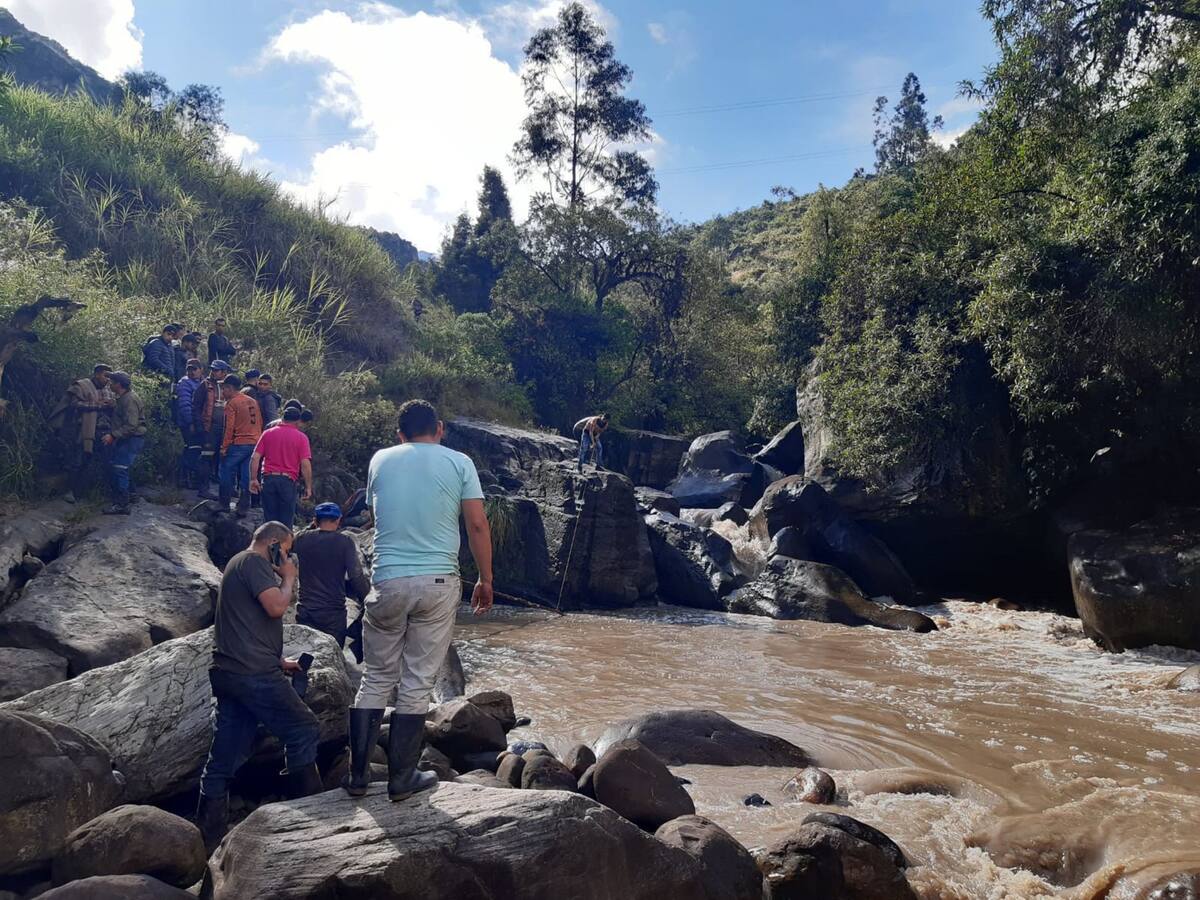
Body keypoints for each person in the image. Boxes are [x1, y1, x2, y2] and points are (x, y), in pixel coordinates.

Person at [344, 399, 493, 802]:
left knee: (375, 677)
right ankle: (402, 778)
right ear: (439, 428)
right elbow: (476, 523)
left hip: (387, 579)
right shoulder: (459, 463)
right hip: (438, 581)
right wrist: (485, 577)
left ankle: (357, 777)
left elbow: (377, 513)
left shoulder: (380, 460)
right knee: (416, 682)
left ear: (399, 435)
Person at [194, 521, 322, 851]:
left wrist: (282, 662)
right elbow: (276, 607)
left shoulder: (237, 564)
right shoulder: (253, 563)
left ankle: (208, 840)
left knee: (225, 756)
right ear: (275, 545)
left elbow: (243, 626)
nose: (289, 555)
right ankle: (311, 818)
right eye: (287, 549)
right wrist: (289, 575)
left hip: (230, 671)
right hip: (253, 675)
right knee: (303, 728)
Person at [292, 502, 371, 648]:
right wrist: (367, 598)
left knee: (304, 659)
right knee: (333, 655)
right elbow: (356, 575)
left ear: (315, 520)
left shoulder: (302, 539)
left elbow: (289, 544)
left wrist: (312, 526)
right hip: (333, 612)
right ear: (339, 520)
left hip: (306, 609)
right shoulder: (344, 542)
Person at [48, 363, 114, 503]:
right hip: (82, 429)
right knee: (77, 461)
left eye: (109, 377)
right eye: (105, 376)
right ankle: (70, 492)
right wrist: (98, 405)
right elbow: (74, 405)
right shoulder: (82, 385)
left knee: (102, 461)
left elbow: (113, 404)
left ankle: (92, 493)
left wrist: (111, 404)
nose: (107, 379)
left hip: (103, 430)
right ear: (97, 374)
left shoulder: (109, 388)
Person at [250, 405, 313, 526]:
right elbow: (305, 464)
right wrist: (308, 487)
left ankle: (271, 544)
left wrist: (253, 479)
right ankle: (284, 545)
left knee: (269, 520)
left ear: (283, 418)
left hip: (268, 479)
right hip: (288, 481)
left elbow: (255, 457)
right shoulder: (301, 438)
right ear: (297, 420)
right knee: (286, 522)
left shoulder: (267, 433)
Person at [100, 371, 146, 515]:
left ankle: (122, 505)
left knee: (119, 468)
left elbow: (131, 425)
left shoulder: (129, 400)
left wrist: (113, 435)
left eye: (112, 381)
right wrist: (114, 404)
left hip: (131, 440)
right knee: (123, 467)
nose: (110, 384)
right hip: (130, 439)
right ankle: (132, 495)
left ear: (119, 384)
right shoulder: (124, 398)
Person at [219, 376, 262, 516]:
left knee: (225, 470)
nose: (222, 392)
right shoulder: (252, 401)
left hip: (239, 443)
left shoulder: (231, 403)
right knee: (246, 475)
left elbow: (228, 427)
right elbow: (259, 422)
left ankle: (224, 503)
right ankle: (243, 506)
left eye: (223, 388)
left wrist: (224, 447)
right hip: (255, 443)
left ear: (229, 388)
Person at [194, 360, 232, 498]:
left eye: (217, 370)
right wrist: (199, 426)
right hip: (209, 428)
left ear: (224, 372)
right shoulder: (205, 385)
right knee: (206, 457)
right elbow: (196, 407)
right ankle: (203, 489)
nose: (213, 372)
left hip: (225, 429)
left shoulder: (229, 386)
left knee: (222, 458)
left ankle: (224, 488)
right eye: (213, 370)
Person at [174, 358, 205, 489]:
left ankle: (186, 478)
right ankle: (186, 478)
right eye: (189, 369)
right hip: (188, 423)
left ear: (201, 370)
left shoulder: (201, 382)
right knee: (193, 449)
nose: (191, 372)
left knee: (193, 449)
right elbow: (185, 405)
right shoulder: (185, 383)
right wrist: (190, 422)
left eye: (194, 369)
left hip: (197, 422)